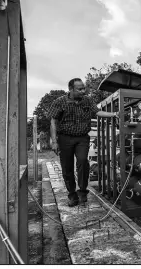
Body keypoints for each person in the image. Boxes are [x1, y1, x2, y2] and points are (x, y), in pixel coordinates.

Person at [47, 78, 117, 207]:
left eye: (84, 88)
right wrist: (54, 141)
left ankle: (83, 191)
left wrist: (113, 114)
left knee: (83, 161)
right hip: (65, 138)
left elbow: (97, 112)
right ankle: (72, 195)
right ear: (71, 89)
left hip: (82, 137)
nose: (83, 91)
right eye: (79, 89)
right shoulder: (60, 101)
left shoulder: (87, 100)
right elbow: (53, 120)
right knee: (67, 168)